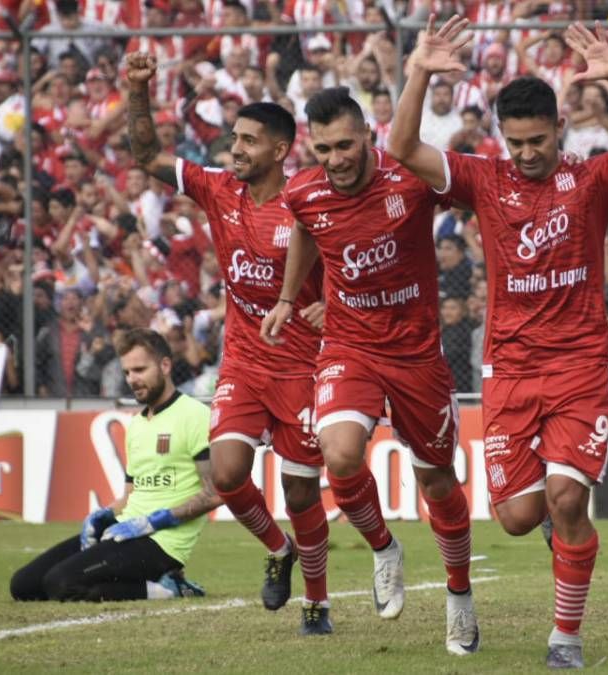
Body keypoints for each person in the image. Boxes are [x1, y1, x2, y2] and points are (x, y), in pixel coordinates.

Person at [388, 16, 608, 669]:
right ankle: (552, 520)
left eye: (537, 140)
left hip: (576, 366)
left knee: (569, 497)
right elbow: (404, 146)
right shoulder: (484, 180)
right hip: (509, 370)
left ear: (559, 130)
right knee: (518, 516)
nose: (526, 152)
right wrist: (419, 71)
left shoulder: (594, 180)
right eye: (515, 141)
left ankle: (565, 640)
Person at [259, 87, 478, 656]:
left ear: (368, 138)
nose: (335, 159)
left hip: (416, 354)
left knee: (437, 481)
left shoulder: (409, 179)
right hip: (349, 346)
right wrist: (288, 297)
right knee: (339, 454)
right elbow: (307, 228)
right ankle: (384, 548)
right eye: (324, 148)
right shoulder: (305, 191)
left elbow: (478, 200)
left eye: (345, 145)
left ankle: (459, 597)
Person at [124, 51, 334, 634]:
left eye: (248, 141)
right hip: (244, 359)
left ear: (279, 150)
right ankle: (278, 549)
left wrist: (327, 307)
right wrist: (138, 90)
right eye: (234, 137)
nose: (235, 148)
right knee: (229, 473)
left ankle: (316, 600)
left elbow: (351, 268)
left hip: (304, 368)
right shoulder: (219, 189)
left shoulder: (308, 202)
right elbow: (145, 155)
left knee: (300, 492)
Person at [10, 329, 214, 602]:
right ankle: (152, 582)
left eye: (140, 369)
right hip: (124, 530)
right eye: (127, 372)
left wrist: (156, 521)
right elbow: (130, 495)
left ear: (165, 366)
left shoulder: (196, 415)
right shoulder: (138, 424)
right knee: (23, 585)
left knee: (61, 584)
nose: (132, 380)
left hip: (160, 544)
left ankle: (168, 588)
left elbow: (216, 492)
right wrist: (104, 515)